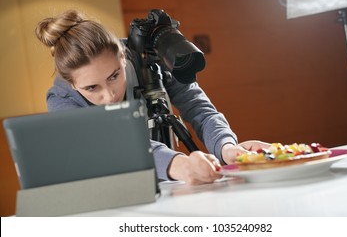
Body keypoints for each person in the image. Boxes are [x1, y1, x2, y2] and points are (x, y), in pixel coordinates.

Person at [35, 9, 269, 185]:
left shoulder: (148, 61)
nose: (109, 95)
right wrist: (177, 164)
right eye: (91, 88)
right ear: (73, 85)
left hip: (171, 183)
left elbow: (199, 109)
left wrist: (227, 147)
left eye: (114, 75)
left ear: (124, 57)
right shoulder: (61, 100)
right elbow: (112, 144)